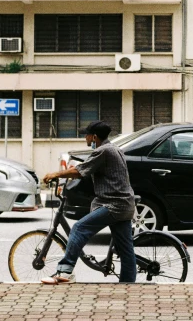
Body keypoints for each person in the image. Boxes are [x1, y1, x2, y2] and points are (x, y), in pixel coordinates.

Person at [40, 121, 136, 284]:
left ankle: (66, 271)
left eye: (87, 134)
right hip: (125, 205)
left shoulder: (103, 151)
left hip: (114, 205)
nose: (85, 137)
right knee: (125, 249)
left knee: (78, 228)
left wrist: (55, 174)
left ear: (95, 137)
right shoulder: (115, 149)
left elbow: (80, 171)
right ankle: (128, 284)